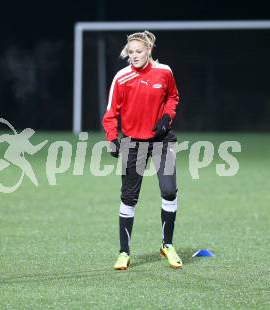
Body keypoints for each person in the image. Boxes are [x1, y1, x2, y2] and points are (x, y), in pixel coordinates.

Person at [102, 31, 182, 270]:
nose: (134, 56)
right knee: (129, 198)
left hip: (161, 140)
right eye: (131, 52)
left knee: (169, 190)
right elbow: (110, 115)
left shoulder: (164, 72)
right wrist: (113, 138)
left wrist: (167, 118)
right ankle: (124, 252)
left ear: (149, 51)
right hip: (133, 143)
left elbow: (173, 97)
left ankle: (167, 245)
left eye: (139, 51)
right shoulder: (122, 78)